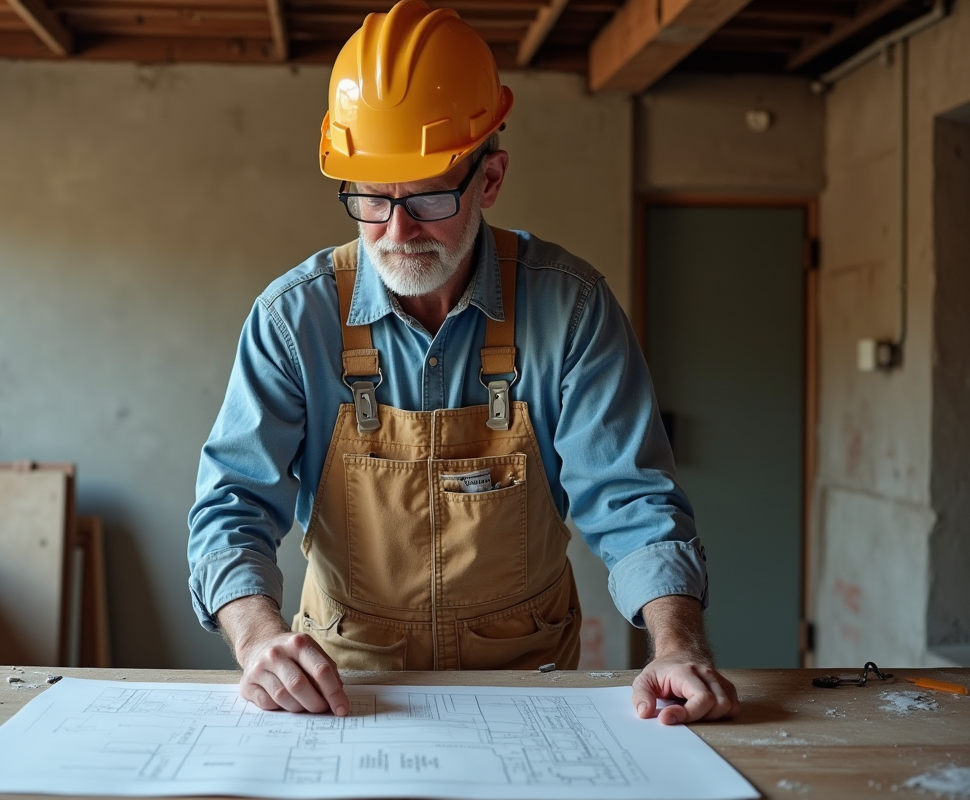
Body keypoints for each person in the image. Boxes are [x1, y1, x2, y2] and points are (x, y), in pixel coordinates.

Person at [187, 0, 739, 726]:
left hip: (526, 686)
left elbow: (634, 502)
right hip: (347, 689)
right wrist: (258, 638)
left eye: (428, 196)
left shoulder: (570, 309)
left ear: (491, 177)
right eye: (371, 200)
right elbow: (231, 508)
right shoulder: (294, 319)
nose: (397, 231)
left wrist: (676, 643)